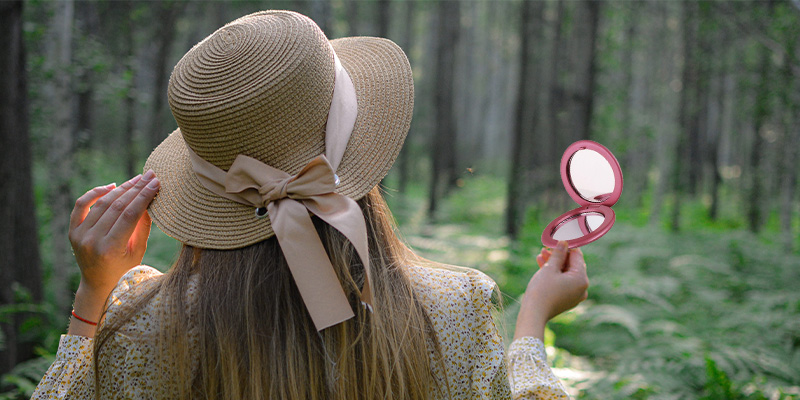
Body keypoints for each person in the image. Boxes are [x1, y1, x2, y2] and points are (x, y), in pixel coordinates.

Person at [32, 11, 588, 400]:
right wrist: (531, 320)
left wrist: (93, 301)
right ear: (363, 139)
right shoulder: (457, 308)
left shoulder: (140, 325)